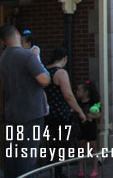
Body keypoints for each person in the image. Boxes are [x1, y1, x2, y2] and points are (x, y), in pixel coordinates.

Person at [0, 25, 50, 178]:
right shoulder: (27, 56)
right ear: (16, 33)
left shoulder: (3, 57)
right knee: (27, 156)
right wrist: (36, 58)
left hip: (12, 113)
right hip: (31, 113)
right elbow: (45, 79)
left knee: (13, 155)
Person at [45, 45, 88, 177]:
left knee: (51, 144)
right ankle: (58, 172)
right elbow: (68, 95)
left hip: (47, 114)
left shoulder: (45, 72)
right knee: (60, 145)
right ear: (65, 58)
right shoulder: (61, 73)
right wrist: (79, 111)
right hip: (60, 115)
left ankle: (53, 170)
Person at [75, 81, 102, 178]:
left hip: (90, 127)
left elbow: (99, 114)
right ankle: (80, 169)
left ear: (86, 92)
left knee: (93, 148)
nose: (77, 92)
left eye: (79, 90)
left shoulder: (92, 103)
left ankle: (95, 169)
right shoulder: (77, 103)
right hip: (80, 128)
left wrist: (93, 116)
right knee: (81, 149)